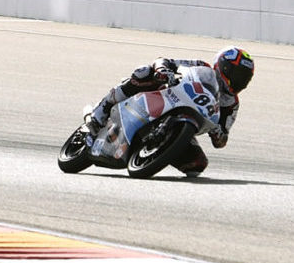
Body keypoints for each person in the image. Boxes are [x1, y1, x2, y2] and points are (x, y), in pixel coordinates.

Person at [86, 48, 254, 177]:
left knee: (197, 164)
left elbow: (222, 139)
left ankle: (157, 150)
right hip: (167, 96)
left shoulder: (232, 104)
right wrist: (163, 70)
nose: (240, 81)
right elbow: (164, 60)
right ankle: (102, 109)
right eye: (237, 75)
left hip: (188, 121)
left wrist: (219, 134)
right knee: (144, 72)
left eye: (244, 78)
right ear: (223, 66)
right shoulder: (201, 66)